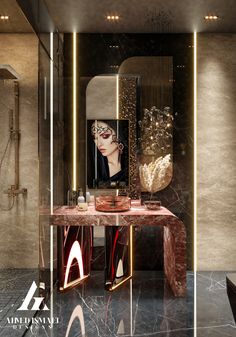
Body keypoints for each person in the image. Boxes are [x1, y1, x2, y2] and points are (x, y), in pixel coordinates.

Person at [87, 120, 129, 188]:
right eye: (95, 138)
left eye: (105, 136)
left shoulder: (131, 165)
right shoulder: (94, 168)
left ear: (119, 135)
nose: (99, 143)